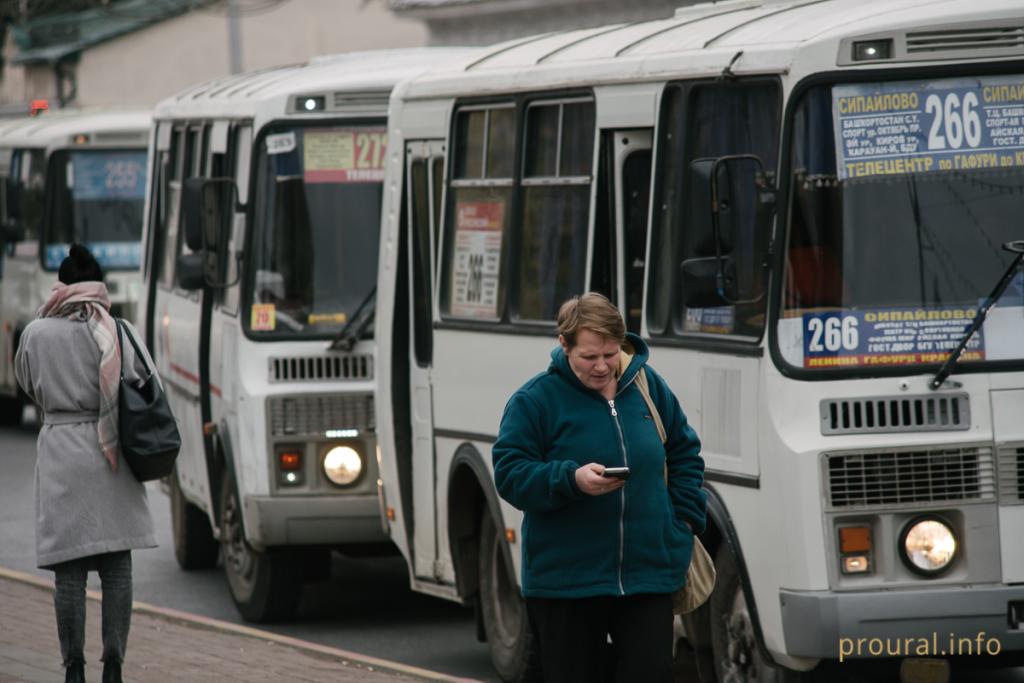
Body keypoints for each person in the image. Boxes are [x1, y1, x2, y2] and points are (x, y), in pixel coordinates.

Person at [492, 292, 706, 682]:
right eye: (589, 357)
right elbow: (510, 474)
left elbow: (684, 452)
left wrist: (684, 524)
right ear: (564, 346)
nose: (602, 366)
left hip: (647, 575)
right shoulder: (534, 400)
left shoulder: (647, 387)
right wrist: (570, 480)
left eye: (610, 353)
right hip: (567, 584)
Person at [15, 244, 156, 683]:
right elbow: (144, 382)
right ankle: (113, 664)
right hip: (110, 454)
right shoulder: (116, 330)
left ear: (61, 285)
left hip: (61, 453)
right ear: (99, 285)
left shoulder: (37, 333)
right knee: (116, 569)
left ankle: (72, 667)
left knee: (69, 574)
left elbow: (25, 383)